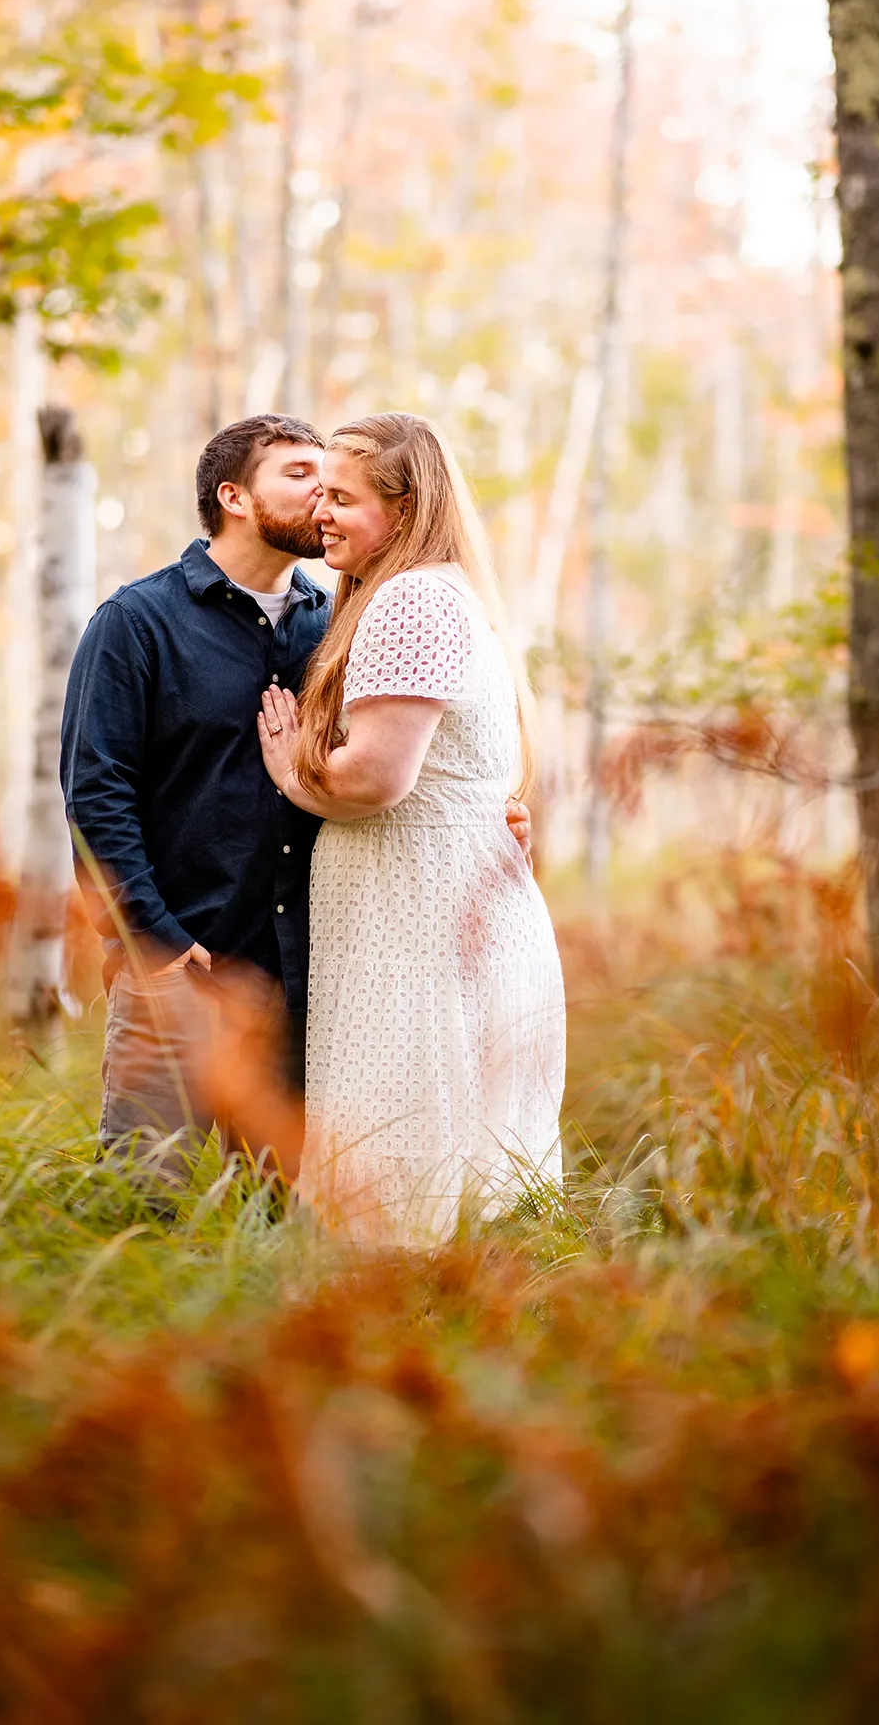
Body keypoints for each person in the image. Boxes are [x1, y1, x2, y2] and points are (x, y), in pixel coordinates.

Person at [60, 409, 534, 1204]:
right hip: (180, 971)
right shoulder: (136, 623)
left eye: (335, 484)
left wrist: (485, 813)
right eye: (300, 476)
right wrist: (155, 944)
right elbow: (94, 794)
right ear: (234, 497)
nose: (322, 499)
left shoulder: (340, 620)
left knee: (281, 1219)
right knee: (141, 1208)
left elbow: (403, 752)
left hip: (306, 983)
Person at [256, 411, 565, 1242]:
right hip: (433, 905)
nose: (320, 511)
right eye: (316, 491)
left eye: (343, 497)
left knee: (400, 1161)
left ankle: (400, 1340)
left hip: (417, 920)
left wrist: (290, 767)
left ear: (405, 507)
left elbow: (375, 778)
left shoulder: (411, 599)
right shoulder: (433, 594)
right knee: (448, 1162)